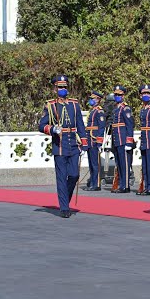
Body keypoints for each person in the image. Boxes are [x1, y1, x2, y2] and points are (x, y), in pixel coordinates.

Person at [38, 75, 88, 218]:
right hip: (59, 144)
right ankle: (64, 207)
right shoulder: (50, 105)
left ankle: (64, 198)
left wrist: (84, 142)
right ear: (55, 88)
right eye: (60, 87)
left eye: (65, 87)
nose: (63, 89)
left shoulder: (74, 104)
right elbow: (41, 126)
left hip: (73, 143)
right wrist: (52, 129)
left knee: (74, 175)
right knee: (61, 177)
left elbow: (80, 124)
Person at [111, 85, 134, 193]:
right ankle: (121, 184)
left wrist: (129, 141)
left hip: (123, 140)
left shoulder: (126, 108)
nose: (117, 96)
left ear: (123, 96)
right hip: (117, 140)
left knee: (124, 164)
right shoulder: (116, 108)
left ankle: (125, 186)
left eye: (119, 95)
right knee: (119, 164)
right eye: (116, 95)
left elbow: (129, 125)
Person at [83, 90, 106, 191]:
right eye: (91, 98)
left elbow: (101, 128)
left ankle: (96, 184)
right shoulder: (93, 111)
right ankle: (92, 182)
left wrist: (100, 142)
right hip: (90, 140)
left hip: (95, 139)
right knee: (91, 163)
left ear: (98, 100)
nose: (91, 100)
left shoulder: (99, 112)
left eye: (93, 98)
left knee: (95, 163)